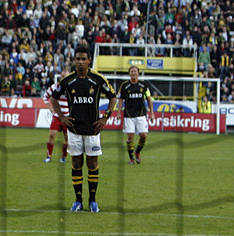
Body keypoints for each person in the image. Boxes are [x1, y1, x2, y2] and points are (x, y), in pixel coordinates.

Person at [49, 45, 117, 213]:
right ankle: (78, 200)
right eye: (77, 59)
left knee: (93, 163)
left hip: (93, 129)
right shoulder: (67, 81)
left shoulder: (98, 79)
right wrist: (62, 117)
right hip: (74, 130)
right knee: (76, 163)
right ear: (74, 61)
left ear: (89, 60)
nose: (80, 62)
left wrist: (105, 116)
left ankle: (92, 201)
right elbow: (54, 98)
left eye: (83, 59)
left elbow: (113, 97)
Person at [116, 65, 155, 165]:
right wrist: (119, 112)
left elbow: (149, 99)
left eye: (135, 71)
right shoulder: (124, 86)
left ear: (138, 73)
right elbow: (121, 99)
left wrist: (152, 113)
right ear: (129, 73)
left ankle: (137, 152)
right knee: (130, 138)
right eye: (131, 71)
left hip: (141, 115)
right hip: (129, 115)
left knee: (144, 136)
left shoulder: (143, 85)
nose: (133, 73)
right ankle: (131, 158)